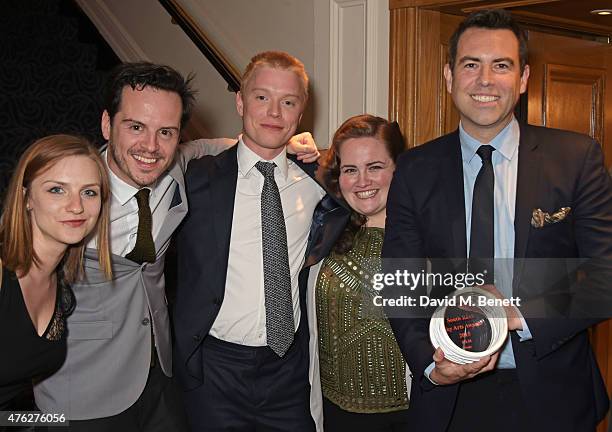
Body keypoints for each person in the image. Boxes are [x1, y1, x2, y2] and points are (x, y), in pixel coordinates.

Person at [34, 62, 319, 431]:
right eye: (135, 126)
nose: (150, 147)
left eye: (165, 132)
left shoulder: (179, 169)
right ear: (107, 124)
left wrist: (284, 141)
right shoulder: (70, 196)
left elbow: (223, 147)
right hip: (80, 395)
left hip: (162, 384)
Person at [382, 9, 612, 432]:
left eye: (500, 65)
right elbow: (400, 281)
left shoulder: (576, 158)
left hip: (554, 395)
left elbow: (604, 274)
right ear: (450, 77)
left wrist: (518, 314)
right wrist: (431, 368)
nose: (485, 80)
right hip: (449, 400)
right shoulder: (415, 169)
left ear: (523, 79)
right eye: (471, 65)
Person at [173, 51, 347, 431]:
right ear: (240, 101)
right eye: (261, 97)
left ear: (300, 114)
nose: (274, 112)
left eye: (288, 102)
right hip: (213, 371)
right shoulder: (197, 178)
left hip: (287, 374)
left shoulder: (321, 185)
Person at [308, 114, 409, 431]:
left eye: (375, 167)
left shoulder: (425, 239)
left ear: (397, 168)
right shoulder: (322, 231)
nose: (363, 181)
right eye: (351, 170)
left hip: (407, 414)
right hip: (334, 412)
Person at [0, 134, 112, 410]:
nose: (76, 206)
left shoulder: (60, 286)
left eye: (89, 192)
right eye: (57, 190)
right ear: (27, 198)